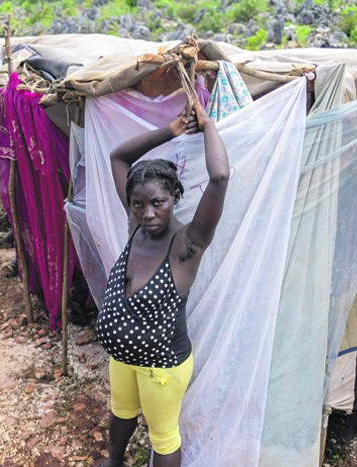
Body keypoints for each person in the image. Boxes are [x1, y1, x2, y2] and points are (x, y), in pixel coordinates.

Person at [95, 102, 229, 467]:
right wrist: (169, 131)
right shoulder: (136, 226)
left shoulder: (187, 245)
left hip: (162, 366)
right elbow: (118, 156)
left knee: (163, 435)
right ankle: (114, 460)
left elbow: (219, 178)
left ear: (174, 199)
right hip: (123, 357)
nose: (148, 213)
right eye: (138, 204)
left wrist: (208, 126)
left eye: (158, 203)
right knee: (121, 409)